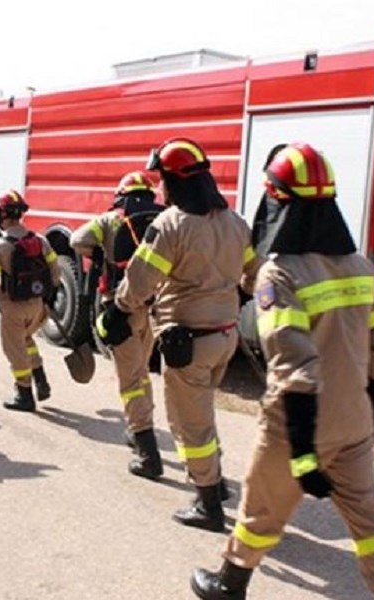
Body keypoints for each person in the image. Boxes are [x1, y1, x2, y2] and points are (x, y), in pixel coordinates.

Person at [190, 143, 374, 600]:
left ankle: (228, 586)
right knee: (369, 517)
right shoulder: (361, 267)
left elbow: (296, 367)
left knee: (260, 508)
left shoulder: (280, 275)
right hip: (354, 419)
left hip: (299, 421)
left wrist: (306, 454)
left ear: (277, 203)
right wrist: (363, 399)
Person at [99, 138, 259, 532]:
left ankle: (207, 503)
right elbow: (254, 278)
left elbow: (140, 281)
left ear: (173, 182)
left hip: (187, 341)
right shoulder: (236, 222)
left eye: (163, 180)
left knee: (190, 424)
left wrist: (118, 310)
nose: (161, 188)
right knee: (201, 412)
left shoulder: (171, 224)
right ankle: (216, 483)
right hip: (225, 337)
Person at [70, 170, 165, 479]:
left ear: (121, 195)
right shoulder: (164, 219)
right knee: (142, 371)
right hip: (154, 309)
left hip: (121, 308)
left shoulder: (111, 219)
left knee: (130, 379)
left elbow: (76, 239)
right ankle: (139, 426)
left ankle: (146, 451)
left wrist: (98, 252)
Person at [0, 189, 61, 412]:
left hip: (13, 307)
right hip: (38, 306)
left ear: (4, 216)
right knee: (26, 340)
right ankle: (41, 378)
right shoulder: (41, 241)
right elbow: (55, 269)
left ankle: (24, 395)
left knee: (15, 351)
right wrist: (49, 294)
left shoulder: (0, 248)